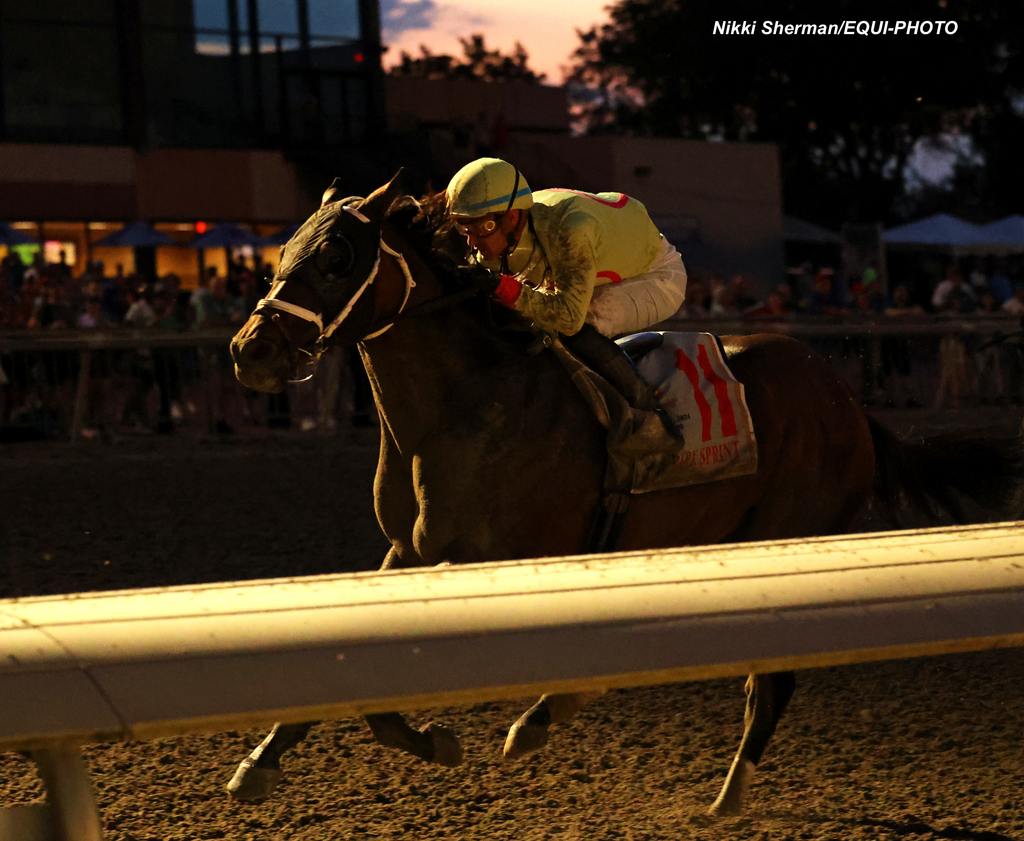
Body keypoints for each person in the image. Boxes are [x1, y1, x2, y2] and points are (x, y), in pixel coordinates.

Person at [445, 157, 687, 410]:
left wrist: (506, 289)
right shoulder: (501, 231)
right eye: (466, 230)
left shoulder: (571, 231)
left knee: (585, 321)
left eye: (481, 228)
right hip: (594, 264)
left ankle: (646, 416)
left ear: (513, 217)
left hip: (657, 276)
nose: (472, 243)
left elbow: (569, 318)